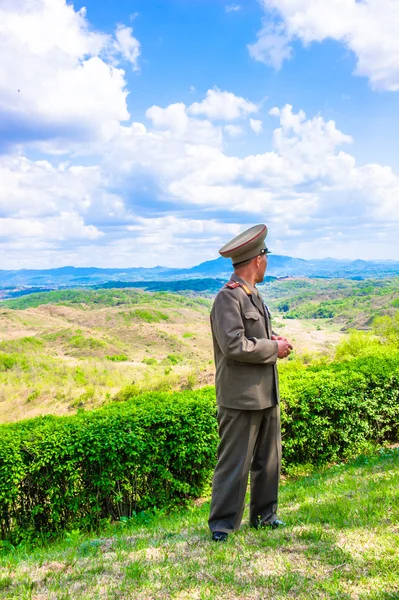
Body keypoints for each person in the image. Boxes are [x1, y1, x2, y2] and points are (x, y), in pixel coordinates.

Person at [208, 224, 293, 542]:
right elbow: (233, 346)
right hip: (240, 397)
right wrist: (275, 349)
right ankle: (222, 525)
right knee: (234, 463)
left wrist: (271, 338)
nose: (267, 263)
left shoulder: (252, 295)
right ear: (257, 259)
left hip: (265, 392)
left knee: (268, 459)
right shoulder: (227, 299)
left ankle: (265, 515)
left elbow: (250, 337)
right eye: (265, 257)